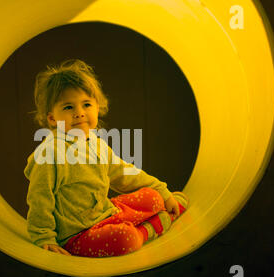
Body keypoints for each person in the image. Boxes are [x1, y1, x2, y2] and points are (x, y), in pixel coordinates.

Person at [24, 59, 188, 257]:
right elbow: (39, 199)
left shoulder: (96, 144)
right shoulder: (50, 154)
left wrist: (162, 191)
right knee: (125, 237)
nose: (79, 113)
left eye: (86, 104)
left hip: (107, 213)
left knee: (152, 196)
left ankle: (157, 214)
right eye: (68, 107)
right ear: (52, 118)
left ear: (96, 107)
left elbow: (124, 173)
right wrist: (44, 238)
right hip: (79, 235)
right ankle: (150, 229)